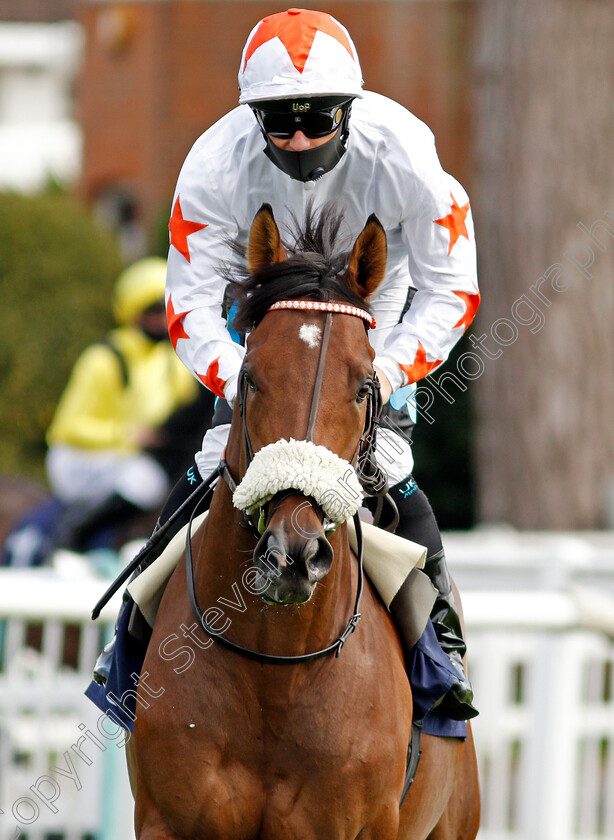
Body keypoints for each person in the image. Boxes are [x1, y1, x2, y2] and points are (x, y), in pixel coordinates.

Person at [93, 8, 480, 726]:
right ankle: (128, 659)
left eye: (316, 117)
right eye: (279, 120)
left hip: (370, 317)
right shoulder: (212, 164)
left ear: (350, 108)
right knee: (211, 468)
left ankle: (439, 657)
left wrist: (383, 375)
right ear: (252, 116)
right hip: (264, 330)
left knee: (388, 470)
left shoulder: (407, 153)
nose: (299, 135)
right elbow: (190, 304)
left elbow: (453, 286)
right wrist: (250, 380)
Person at [44, 257, 202, 554]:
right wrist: (128, 435)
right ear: (133, 313)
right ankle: (71, 536)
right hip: (78, 459)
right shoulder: (103, 360)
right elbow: (66, 429)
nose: (160, 320)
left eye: (165, 310)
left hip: (125, 458)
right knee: (147, 480)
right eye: (152, 311)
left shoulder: (172, 361)